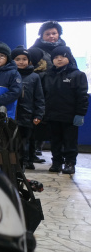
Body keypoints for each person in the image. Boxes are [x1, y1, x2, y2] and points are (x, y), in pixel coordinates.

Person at [42, 46, 88, 175]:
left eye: (62, 56)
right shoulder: (48, 75)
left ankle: (70, 163)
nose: (59, 59)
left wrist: (80, 114)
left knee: (70, 141)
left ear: (69, 58)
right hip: (52, 115)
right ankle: (56, 162)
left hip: (70, 116)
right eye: (55, 57)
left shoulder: (78, 75)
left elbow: (82, 96)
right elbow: (44, 96)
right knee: (55, 141)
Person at [11, 46, 45, 170]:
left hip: (28, 115)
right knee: (14, 141)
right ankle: (15, 163)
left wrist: (38, 114)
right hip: (12, 115)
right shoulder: (10, 75)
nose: (21, 62)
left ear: (29, 61)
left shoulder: (34, 77)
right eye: (17, 59)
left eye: (24, 59)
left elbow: (39, 98)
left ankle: (27, 162)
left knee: (28, 140)